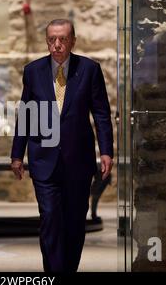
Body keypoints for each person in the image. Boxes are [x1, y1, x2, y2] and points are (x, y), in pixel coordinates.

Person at [10, 19, 113, 272]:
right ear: (46, 41)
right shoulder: (33, 71)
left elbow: (101, 113)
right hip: (43, 159)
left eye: (63, 39)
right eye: (51, 39)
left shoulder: (89, 69)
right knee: (50, 219)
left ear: (73, 40)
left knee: (75, 221)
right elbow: (26, 114)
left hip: (78, 160)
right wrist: (16, 154)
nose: (56, 45)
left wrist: (107, 151)